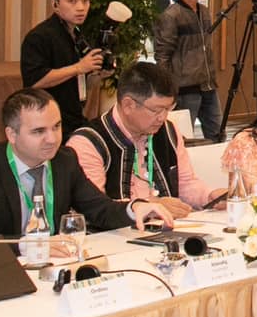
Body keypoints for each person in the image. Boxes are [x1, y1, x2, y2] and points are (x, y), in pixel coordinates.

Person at [0, 89, 174, 241]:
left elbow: (99, 209)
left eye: (56, 127)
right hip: (5, 271)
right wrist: (26, 246)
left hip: (58, 266)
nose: (52, 139)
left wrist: (135, 207)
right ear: (12, 134)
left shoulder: (64, 160)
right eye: (39, 131)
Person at [66, 62, 220, 215]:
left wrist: (210, 196)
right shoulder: (88, 143)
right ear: (128, 105)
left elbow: (185, 183)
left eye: (168, 108)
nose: (163, 117)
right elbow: (94, 208)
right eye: (156, 110)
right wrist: (148, 206)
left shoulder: (168, 131)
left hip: (166, 227)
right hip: (117, 230)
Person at [21, 0, 102, 134]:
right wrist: (78, 67)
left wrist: (98, 73)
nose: (81, 7)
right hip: (48, 121)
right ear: (55, 5)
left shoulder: (77, 34)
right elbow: (35, 81)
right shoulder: (40, 36)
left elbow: (79, 82)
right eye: (72, 1)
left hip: (74, 116)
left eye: (85, 0)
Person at [152, 0, 221, 140]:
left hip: (208, 85)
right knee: (182, 137)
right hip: (184, 88)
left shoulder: (204, 11)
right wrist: (167, 87)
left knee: (217, 134)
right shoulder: (171, 16)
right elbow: (162, 55)